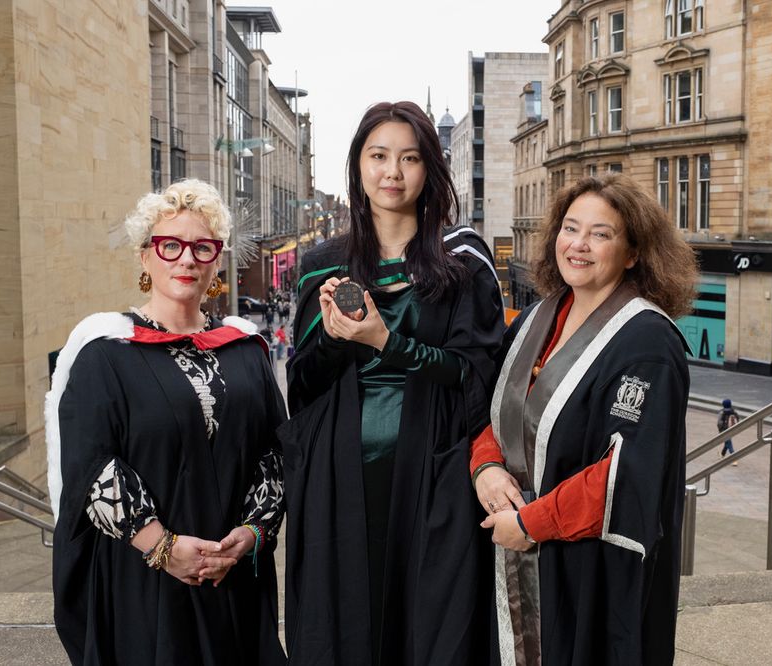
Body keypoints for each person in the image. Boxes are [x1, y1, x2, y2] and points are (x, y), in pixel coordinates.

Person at [280, 101, 505, 665]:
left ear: (431, 168)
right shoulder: (322, 264)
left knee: (431, 626)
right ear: (358, 165)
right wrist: (334, 338)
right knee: (346, 626)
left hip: (433, 471)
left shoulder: (463, 261)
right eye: (378, 156)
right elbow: (302, 387)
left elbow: (476, 375)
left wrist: (388, 343)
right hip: (340, 477)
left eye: (409, 158)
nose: (393, 173)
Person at [47, 179, 287, 665]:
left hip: (233, 576)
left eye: (203, 247)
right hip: (145, 580)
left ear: (216, 261)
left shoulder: (245, 351)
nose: (187, 259)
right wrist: (163, 546)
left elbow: (277, 451)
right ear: (146, 257)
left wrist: (253, 532)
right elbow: (91, 466)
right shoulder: (105, 354)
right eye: (171, 245)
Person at [473, 173, 697, 664]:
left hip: (589, 568)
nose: (579, 245)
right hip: (518, 551)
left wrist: (530, 523)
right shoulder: (538, 317)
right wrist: (486, 466)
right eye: (571, 228)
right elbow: (497, 413)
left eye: (601, 234)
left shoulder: (647, 342)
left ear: (633, 252)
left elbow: (624, 474)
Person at [718, 398, 739, 464]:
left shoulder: (722, 412)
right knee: (727, 442)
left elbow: (719, 423)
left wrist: (720, 430)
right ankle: (722, 454)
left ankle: (734, 458)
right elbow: (737, 419)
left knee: (729, 443)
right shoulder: (734, 411)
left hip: (724, 430)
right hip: (732, 429)